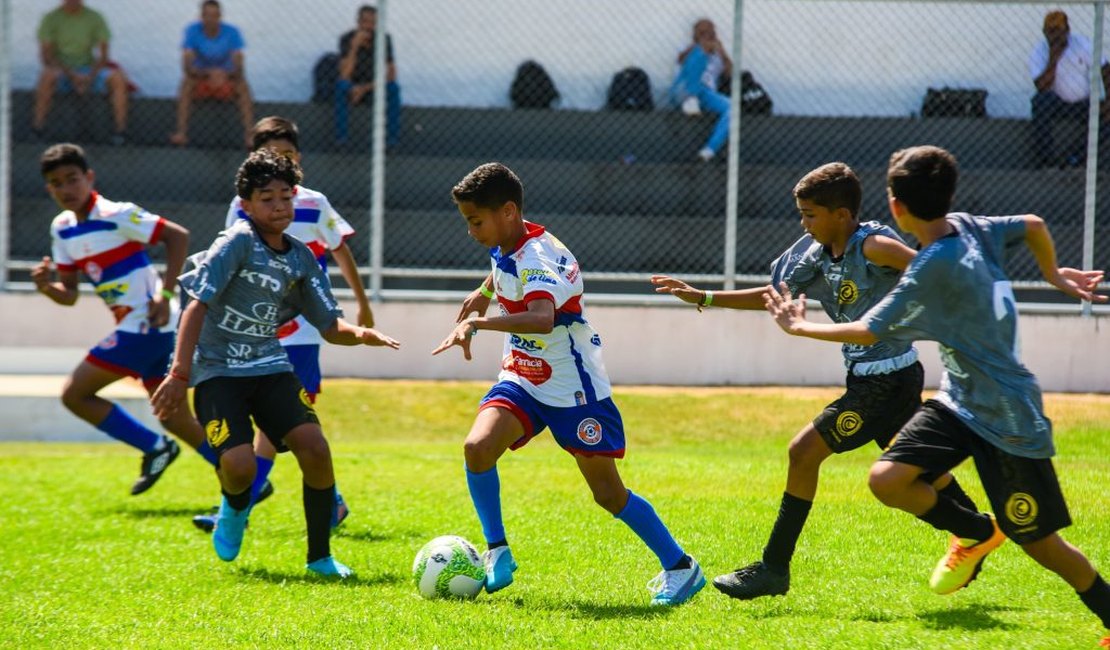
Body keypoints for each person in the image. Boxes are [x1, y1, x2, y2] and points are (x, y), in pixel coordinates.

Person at [764, 145, 1110, 645]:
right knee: (888, 479)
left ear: (896, 208)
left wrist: (800, 327)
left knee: (1038, 542)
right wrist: (1055, 275)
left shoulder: (931, 269)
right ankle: (974, 532)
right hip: (959, 401)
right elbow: (1033, 223)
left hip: (1009, 415)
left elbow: (866, 330)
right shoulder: (972, 226)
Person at [652, 162, 979, 600]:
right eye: (802, 214)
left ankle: (773, 568)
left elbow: (927, 267)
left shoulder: (875, 246)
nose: (803, 223)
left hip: (885, 383)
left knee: (803, 453)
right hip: (881, 377)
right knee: (924, 472)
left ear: (841, 215)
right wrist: (705, 297)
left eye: (810, 214)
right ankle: (976, 530)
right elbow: (775, 297)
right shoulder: (817, 254)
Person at [432, 162, 705, 606]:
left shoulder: (538, 256)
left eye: (475, 221)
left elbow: (542, 318)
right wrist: (484, 290)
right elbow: (505, 266)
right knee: (477, 448)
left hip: (573, 389)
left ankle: (680, 567)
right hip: (523, 375)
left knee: (608, 494)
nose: (471, 231)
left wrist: (480, 322)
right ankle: (497, 549)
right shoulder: (510, 239)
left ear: (507, 211)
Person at [150, 149, 399, 577]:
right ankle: (234, 506)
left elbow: (329, 324)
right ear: (245, 205)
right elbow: (196, 306)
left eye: (286, 196)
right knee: (240, 466)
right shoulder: (237, 242)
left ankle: (320, 558)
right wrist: (178, 374)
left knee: (316, 450)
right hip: (218, 373)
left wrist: (360, 335)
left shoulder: (301, 257)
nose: (279, 206)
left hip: (270, 367)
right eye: (267, 198)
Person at [189, 115, 374, 533]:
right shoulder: (241, 208)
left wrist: (362, 307)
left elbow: (341, 252)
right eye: (270, 156)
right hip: (255, 332)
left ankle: (236, 510)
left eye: (287, 155)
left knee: (278, 430)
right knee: (279, 430)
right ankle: (331, 503)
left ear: (298, 158)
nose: (280, 164)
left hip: (305, 330)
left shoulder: (313, 203)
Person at [32, 143, 220, 494]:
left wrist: (165, 295)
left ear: (89, 177)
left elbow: (177, 236)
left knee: (76, 394)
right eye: (57, 183)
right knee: (173, 416)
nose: (66, 188)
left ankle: (155, 447)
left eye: (73, 179)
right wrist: (46, 287)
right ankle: (248, 481)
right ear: (49, 189)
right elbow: (69, 294)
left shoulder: (116, 214)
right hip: (140, 327)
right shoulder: (63, 229)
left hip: (148, 325)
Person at [32, 0, 130, 145]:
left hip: (88, 70)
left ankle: (120, 132)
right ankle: (37, 129)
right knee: (47, 76)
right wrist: (72, 75)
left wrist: (89, 77)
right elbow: (47, 56)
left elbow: (104, 55)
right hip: (62, 70)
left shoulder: (95, 17)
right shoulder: (51, 18)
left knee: (118, 78)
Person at [1029, 10, 1110, 168]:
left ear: (1067, 31)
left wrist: (1108, 100)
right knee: (1039, 101)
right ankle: (1046, 162)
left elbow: (1106, 69)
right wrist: (1054, 58)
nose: (1056, 36)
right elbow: (1041, 87)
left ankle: (1075, 160)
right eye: (1051, 31)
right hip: (1056, 103)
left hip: (1083, 103)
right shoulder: (1039, 51)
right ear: (1044, 33)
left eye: (1059, 30)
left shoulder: (1082, 44)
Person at [170, 0, 254, 149]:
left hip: (226, 79)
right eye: (206, 15)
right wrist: (209, 74)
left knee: (243, 86)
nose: (210, 19)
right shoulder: (191, 31)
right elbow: (187, 66)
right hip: (201, 78)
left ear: (220, 16)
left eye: (214, 15)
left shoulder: (232, 32)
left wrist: (224, 75)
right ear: (200, 16)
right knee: (185, 84)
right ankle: (181, 133)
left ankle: (250, 135)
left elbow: (239, 66)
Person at [334, 4, 401, 146]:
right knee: (341, 86)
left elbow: (391, 74)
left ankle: (392, 141)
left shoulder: (384, 39)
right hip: (351, 87)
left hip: (373, 87)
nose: (369, 26)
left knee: (394, 88)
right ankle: (342, 139)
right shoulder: (346, 39)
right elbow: (344, 75)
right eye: (365, 22)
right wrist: (354, 47)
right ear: (358, 22)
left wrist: (364, 88)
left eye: (373, 23)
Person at [670, 18, 732, 162]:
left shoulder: (718, 55)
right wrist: (699, 48)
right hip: (682, 91)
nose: (707, 35)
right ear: (695, 34)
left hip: (705, 94)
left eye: (710, 32)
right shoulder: (689, 49)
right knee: (699, 57)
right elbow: (680, 60)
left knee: (731, 107)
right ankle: (691, 98)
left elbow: (730, 73)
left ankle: (709, 150)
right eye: (702, 32)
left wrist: (722, 52)